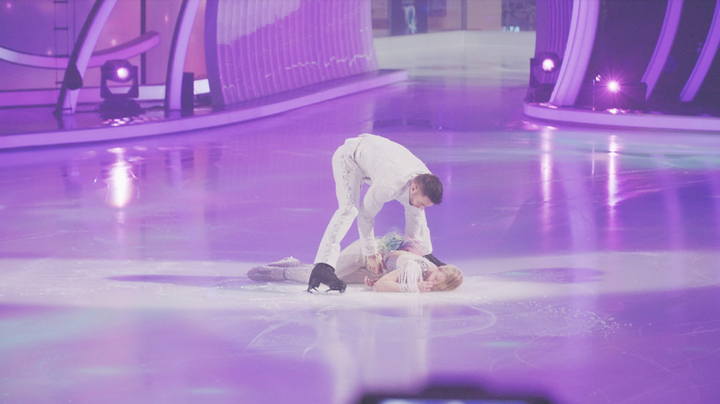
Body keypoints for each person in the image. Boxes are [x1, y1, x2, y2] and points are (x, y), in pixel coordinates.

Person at [308, 134, 445, 293]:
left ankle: (426, 253)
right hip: (350, 159)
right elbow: (365, 216)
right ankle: (322, 266)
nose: (422, 208)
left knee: (416, 211)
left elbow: (416, 215)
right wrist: (370, 252)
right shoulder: (389, 185)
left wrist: (417, 253)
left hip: (376, 158)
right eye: (422, 203)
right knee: (349, 210)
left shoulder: (424, 179)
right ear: (413, 188)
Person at [248, 233, 463, 293]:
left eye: (437, 286)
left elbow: (382, 279)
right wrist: (411, 287)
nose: (432, 284)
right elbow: (381, 286)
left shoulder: (428, 269)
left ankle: (291, 262)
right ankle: (274, 272)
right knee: (320, 278)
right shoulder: (417, 268)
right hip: (364, 254)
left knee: (335, 280)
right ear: (440, 268)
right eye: (436, 279)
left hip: (372, 268)